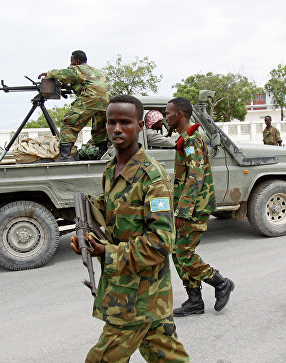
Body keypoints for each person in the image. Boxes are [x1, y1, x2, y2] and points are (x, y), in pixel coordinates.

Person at [70, 95, 189, 362]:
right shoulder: (111, 169)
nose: (117, 129)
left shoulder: (152, 177)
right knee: (166, 356)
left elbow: (161, 242)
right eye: (111, 122)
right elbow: (112, 221)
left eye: (125, 122)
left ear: (139, 126)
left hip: (139, 296)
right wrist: (88, 238)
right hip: (132, 292)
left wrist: (108, 253)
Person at [165, 97, 235, 317]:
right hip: (186, 207)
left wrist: (183, 210)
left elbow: (195, 178)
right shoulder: (184, 139)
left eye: (168, 112)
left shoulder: (192, 141)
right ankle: (194, 299)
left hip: (194, 208)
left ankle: (220, 282)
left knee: (183, 254)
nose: (166, 116)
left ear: (179, 114)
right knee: (178, 254)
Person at [38, 50, 110, 162]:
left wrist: (49, 74)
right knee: (99, 128)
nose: (70, 64)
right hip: (108, 102)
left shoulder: (78, 68)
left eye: (71, 62)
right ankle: (102, 154)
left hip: (91, 98)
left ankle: (65, 156)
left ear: (77, 61)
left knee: (68, 123)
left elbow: (63, 73)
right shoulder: (98, 72)